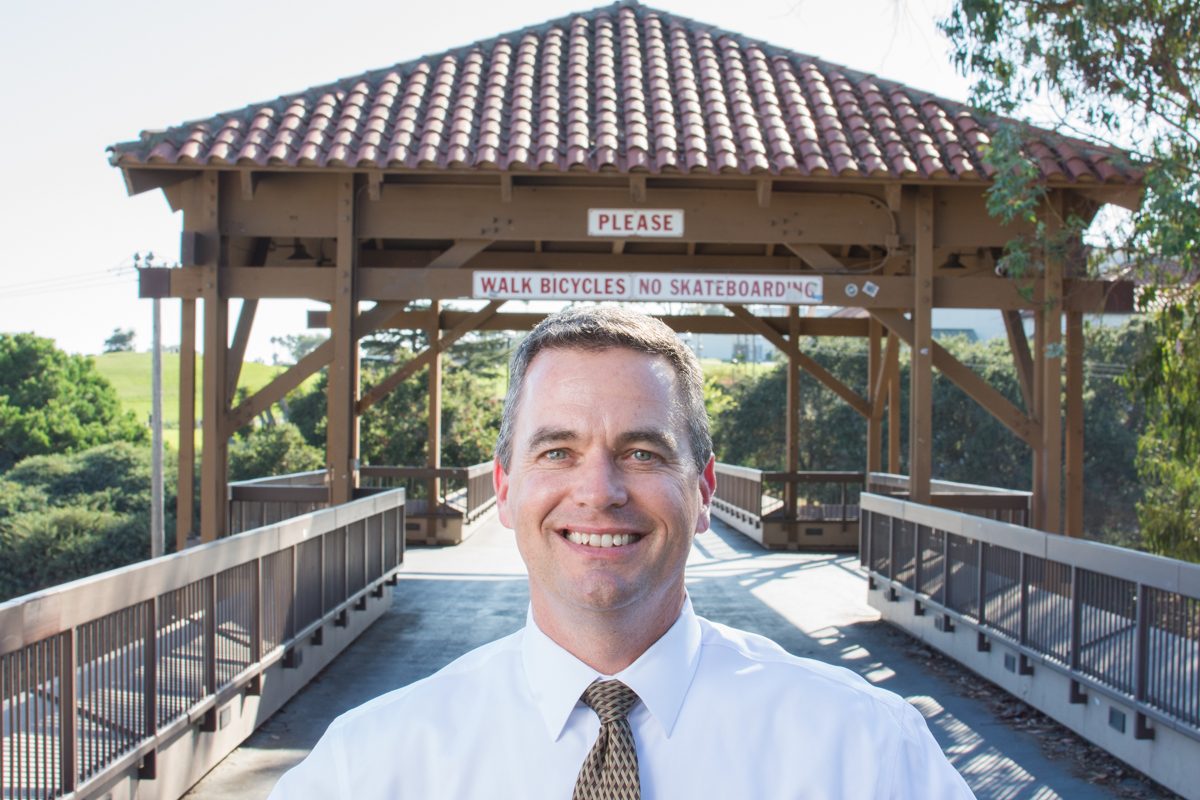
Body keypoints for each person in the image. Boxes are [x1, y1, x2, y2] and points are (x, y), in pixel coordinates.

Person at [269, 305, 976, 799]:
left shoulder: (867, 753)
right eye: (558, 451)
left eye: (642, 452)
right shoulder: (371, 765)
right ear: (506, 490)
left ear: (703, 492)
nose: (599, 490)